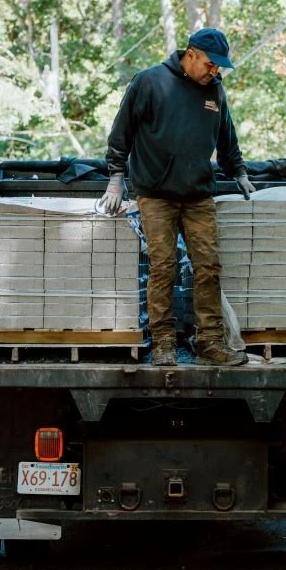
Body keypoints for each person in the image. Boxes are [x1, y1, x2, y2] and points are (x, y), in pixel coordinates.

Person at [102, 28, 255, 367]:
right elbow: (121, 132)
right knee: (164, 267)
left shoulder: (215, 91)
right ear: (191, 54)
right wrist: (115, 179)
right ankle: (165, 343)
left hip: (198, 194)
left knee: (209, 267)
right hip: (156, 194)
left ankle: (211, 344)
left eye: (219, 67)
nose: (215, 71)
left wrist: (239, 172)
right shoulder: (150, 82)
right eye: (210, 64)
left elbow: (227, 138)